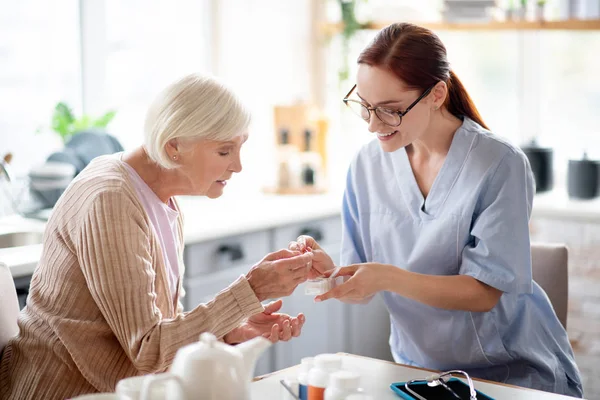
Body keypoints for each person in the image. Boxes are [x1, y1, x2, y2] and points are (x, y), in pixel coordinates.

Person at [289, 23, 583, 397]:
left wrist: (387, 277)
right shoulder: (366, 165)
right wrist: (329, 274)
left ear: (437, 94)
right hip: (417, 373)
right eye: (364, 106)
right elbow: (360, 286)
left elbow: (483, 293)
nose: (373, 125)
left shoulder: (500, 163)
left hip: (510, 374)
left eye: (390, 110)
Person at [0, 74, 313, 400]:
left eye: (240, 147)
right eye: (224, 151)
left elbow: (161, 332)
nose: (238, 166)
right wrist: (251, 289)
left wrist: (230, 331)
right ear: (174, 147)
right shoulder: (111, 199)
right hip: (61, 393)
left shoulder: (162, 199)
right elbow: (149, 349)